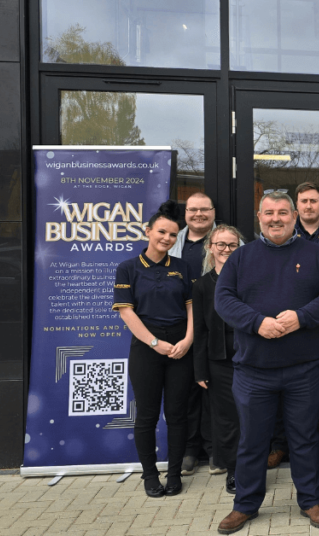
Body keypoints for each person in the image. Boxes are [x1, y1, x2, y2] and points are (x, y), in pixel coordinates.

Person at [214, 191, 319, 534]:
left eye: (283, 213)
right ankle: (245, 505)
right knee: (253, 441)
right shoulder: (241, 257)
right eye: (269, 213)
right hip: (253, 371)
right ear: (259, 218)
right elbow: (223, 298)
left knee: (304, 438)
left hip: (304, 369)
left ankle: (310, 500)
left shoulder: (316, 255)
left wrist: (302, 317)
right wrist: (258, 322)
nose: (276, 219)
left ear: (294, 216)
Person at [112, 201, 195, 498]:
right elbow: (126, 313)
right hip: (147, 347)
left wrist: (187, 340)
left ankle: (174, 475)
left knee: (177, 414)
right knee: (146, 416)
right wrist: (155, 343)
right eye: (162, 232)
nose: (167, 239)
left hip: (180, 349)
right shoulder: (128, 268)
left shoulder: (182, 268)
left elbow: (190, 306)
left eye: (173, 235)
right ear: (148, 231)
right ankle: (150, 475)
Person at [268, 182, 319, 468]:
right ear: (296, 207)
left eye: (313, 201)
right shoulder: (284, 234)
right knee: (284, 392)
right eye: (304, 201)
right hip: (290, 327)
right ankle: (280, 446)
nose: (309, 206)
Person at [171, 192, 227, 477]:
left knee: (213, 394)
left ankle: (216, 449)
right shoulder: (174, 244)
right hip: (179, 329)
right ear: (186, 213)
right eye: (193, 210)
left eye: (204, 209)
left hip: (214, 330)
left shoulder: (227, 242)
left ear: (213, 211)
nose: (198, 214)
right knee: (187, 393)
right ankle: (190, 451)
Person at [192, 224, 245, 495]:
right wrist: (200, 369)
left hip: (249, 357)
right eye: (220, 244)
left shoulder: (249, 279)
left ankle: (252, 468)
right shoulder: (201, 285)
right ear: (210, 248)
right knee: (226, 419)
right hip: (218, 361)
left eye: (232, 245)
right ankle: (234, 471)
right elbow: (199, 330)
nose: (226, 249)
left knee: (252, 416)